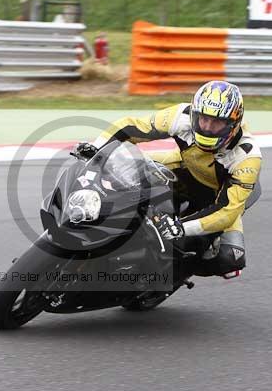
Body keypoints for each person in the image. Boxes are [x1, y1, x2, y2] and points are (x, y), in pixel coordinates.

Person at [75, 80, 262, 279]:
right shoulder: (181, 116)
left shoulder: (247, 157)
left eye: (216, 123)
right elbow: (131, 127)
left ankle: (173, 276)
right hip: (183, 168)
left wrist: (181, 227)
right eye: (203, 119)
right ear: (194, 113)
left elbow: (227, 211)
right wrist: (97, 148)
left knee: (230, 258)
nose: (207, 127)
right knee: (124, 171)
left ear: (233, 124)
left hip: (216, 197)